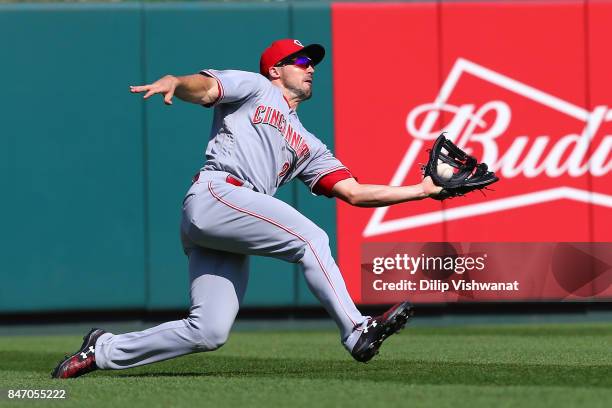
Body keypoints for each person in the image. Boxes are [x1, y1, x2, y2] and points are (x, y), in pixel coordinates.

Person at [52, 39, 442, 379]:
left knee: (209, 331)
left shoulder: (310, 144)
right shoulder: (257, 87)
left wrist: (423, 190)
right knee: (311, 238)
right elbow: (207, 89)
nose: (311, 69)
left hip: (229, 221)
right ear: (276, 69)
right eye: (301, 62)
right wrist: (177, 82)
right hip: (217, 192)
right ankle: (357, 329)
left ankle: (103, 349)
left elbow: (355, 193)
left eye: (313, 64)